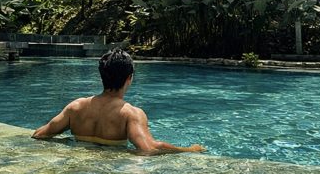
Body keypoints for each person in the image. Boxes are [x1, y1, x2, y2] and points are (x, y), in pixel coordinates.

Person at [32, 48, 205, 154]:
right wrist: (189, 150)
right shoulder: (131, 114)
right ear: (129, 78)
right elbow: (148, 148)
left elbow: (40, 134)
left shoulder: (76, 107)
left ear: (101, 76)